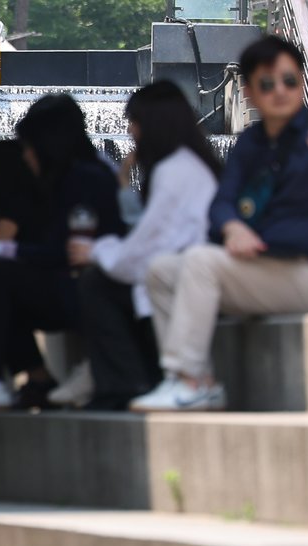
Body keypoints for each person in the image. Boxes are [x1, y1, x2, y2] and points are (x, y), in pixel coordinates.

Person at [131, 35, 308, 412]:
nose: (280, 91)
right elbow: (222, 202)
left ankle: (187, 377)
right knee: (162, 271)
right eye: (267, 83)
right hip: (261, 269)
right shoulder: (250, 144)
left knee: (200, 261)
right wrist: (232, 227)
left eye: (289, 80)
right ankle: (199, 382)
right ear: (249, 91)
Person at [0, 94, 124, 410]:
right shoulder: (71, 178)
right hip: (75, 284)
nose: (26, 157)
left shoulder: (87, 179)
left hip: (93, 290)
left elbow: (60, 251)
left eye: (29, 147)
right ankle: (23, 379)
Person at [67, 81, 222, 410]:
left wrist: (95, 252)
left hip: (184, 271)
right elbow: (150, 232)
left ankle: (126, 384)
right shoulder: (186, 163)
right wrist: (124, 183)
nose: (130, 130)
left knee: (96, 284)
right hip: (183, 265)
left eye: (134, 122)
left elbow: (146, 247)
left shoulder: (174, 170)